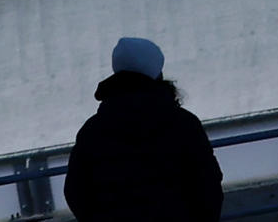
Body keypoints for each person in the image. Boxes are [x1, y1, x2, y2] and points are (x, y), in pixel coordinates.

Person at [66, 36, 222, 222]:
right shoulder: (184, 124)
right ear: (157, 73)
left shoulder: (92, 131)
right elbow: (208, 186)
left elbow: (75, 191)